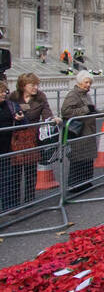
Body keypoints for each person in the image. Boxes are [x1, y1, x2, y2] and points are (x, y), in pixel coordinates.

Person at [11, 72, 54, 204]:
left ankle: (30, 198)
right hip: (16, 137)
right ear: (23, 85)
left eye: (36, 84)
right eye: (32, 85)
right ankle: (14, 200)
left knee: (30, 169)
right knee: (15, 171)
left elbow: (47, 112)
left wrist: (52, 119)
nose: (35, 87)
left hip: (32, 137)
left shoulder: (40, 97)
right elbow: (7, 111)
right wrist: (14, 117)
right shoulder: (14, 96)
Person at [61, 71, 98, 191]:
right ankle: (75, 184)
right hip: (79, 131)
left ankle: (86, 182)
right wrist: (85, 109)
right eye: (86, 82)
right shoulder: (73, 94)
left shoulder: (86, 95)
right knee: (78, 158)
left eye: (90, 83)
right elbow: (66, 111)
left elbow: (91, 110)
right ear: (79, 82)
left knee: (87, 158)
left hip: (88, 130)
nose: (88, 85)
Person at [0, 78, 23, 209]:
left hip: (8, 146)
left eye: (4, 92)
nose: (4, 94)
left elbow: (24, 122)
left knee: (7, 177)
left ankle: (8, 205)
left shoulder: (10, 105)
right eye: (1, 92)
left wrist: (19, 119)